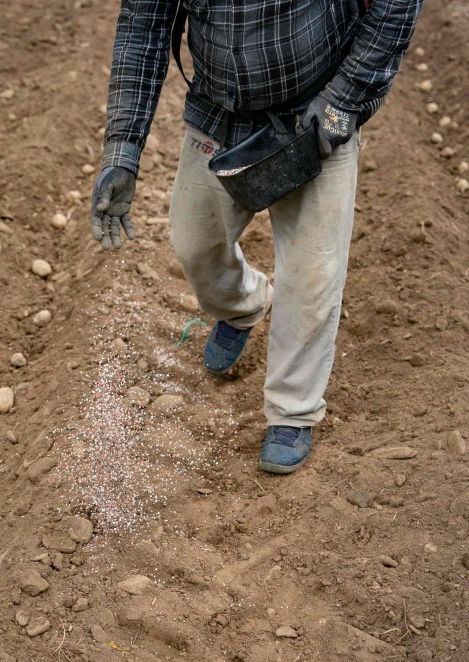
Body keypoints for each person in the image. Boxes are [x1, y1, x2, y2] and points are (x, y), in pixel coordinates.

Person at [90, 0, 425, 474]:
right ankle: (243, 306)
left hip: (317, 112)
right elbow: (144, 22)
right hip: (219, 110)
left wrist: (344, 98)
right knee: (194, 244)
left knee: (313, 274)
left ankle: (293, 410)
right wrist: (122, 151)